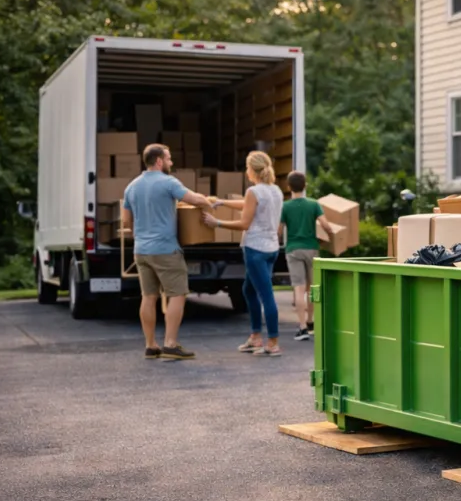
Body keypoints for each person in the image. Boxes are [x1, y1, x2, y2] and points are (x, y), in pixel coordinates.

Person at [121, 143, 214, 360]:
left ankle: (151, 345)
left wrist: (141, 236)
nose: (171, 162)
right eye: (169, 158)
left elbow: (126, 220)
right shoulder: (168, 182)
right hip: (165, 249)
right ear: (159, 161)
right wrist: (210, 202)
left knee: (148, 296)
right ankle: (170, 344)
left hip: (141, 251)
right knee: (178, 294)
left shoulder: (131, 187)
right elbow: (194, 199)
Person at [202, 151, 285, 356]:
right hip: (271, 249)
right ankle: (256, 337)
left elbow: (244, 223)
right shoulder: (276, 191)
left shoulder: (253, 191)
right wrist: (222, 202)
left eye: (247, 167)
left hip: (255, 249)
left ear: (252, 170)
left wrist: (217, 222)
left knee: (266, 295)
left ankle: (273, 342)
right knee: (248, 290)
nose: (246, 171)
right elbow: (248, 206)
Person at [280, 171, 326, 341]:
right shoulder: (314, 205)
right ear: (305, 185)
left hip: (293, 249)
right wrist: (328, 240)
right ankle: (311, 321)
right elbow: (326, 226)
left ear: (288, 187)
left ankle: (302, 327)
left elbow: (278, 230)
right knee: (312, 288)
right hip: (312, 248)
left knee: (298, 289)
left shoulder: (285, 207)